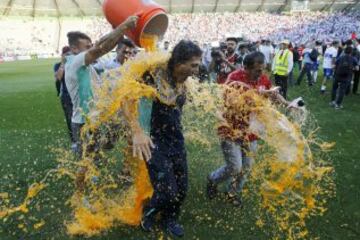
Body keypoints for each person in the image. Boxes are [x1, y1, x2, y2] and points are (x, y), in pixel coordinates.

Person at [123, 40, 202, 237]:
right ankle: (148, 213)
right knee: (168, 191)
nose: (197, 69)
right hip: (153, 142)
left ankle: (170, 218)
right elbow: (126, 98)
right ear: (178, 63)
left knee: (181, 190)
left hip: (176, 141)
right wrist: (137, 132)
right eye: (193, 64)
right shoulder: (153, 75)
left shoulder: (184, 81)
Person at [207, 52, 291, 207]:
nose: (261, 74)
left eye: (263, 70)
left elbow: (273, 91)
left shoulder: (263, 79)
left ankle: (233, 192)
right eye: (258, 70)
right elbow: (232, 101)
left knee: (246, 168)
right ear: (245, 68)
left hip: (251, 132)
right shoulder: (234, 78)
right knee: (235, 167)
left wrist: (286, 103)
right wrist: (260, 93)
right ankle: (213, 179)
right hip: (230, 129)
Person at [64, 16, 138, 189]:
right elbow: (100, 48)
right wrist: (124, 25)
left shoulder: (85, 66)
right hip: (84, 123)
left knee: (117, 134)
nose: (91, 49)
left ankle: (95, 157)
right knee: (87, 163)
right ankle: (80, 196)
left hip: (98, 119)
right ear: (74, 49)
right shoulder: (75, 62)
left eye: (90, 46)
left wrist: (119, 33)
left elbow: (102, 46)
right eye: (86, 47)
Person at [54, 46, 74, 144]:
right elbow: (58, 78)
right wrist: (63, 63)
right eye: (66, 54)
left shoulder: (75, 64)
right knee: (70, 118)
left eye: (70, 54)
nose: (68, 57)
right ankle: (74, 141)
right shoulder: (58, 65)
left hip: (77, 95)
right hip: (66, 96)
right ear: (62, 55)